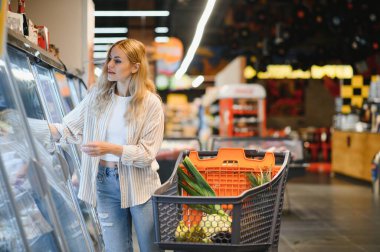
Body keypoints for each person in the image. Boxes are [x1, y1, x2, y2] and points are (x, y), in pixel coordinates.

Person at [49, 38, 165, 252]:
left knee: (151, 248)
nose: (109, 65)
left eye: (117, 61)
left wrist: (111, 149)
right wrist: (29, 127)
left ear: (135, 67)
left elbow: (147, 154)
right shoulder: (97, 96)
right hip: (104, 182)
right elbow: (67, 128)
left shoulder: (151, 104)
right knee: (115, 249)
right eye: (109, 59)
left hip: (141, 184)